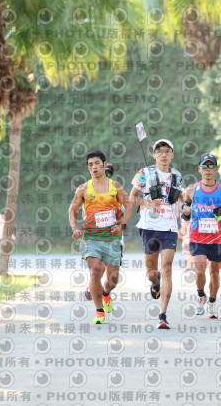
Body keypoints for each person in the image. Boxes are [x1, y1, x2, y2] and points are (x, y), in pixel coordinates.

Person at [69, 152, 133, 324]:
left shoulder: (116, 187)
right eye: (90, 164)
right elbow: (72, 209)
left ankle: (106, 294)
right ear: (87, 167)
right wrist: (74, 228)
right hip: (91, 237)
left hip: (111, 237)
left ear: (104, 164)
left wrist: (122, 226)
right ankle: (99, 312)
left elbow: (128, 206)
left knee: (113, 278)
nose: (94, 167)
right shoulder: (83, 188)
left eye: (97, 163)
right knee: (95, 271)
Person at [129, 139, 184, 329]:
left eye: (167, 151)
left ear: (172, 155)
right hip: (149, 226)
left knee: (167, 267)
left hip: (169, 227)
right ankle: (155, 282)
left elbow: (179, 196)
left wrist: (184, 205)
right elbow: (131, 197)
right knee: (152, 273)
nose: (163, 155)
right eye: (159, 151)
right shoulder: (144, 174)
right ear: (154, 155)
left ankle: (163, 314)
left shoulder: (177, 175)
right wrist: (148, 203)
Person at [181, 153, 221, 319]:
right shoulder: (191, 190)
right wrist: (185, 211)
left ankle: (212, 303)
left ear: (216, 169)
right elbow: (185, 213)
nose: (208, 169)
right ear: (199, 169)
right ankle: (201, 295)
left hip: (217, 238)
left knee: (215, 272)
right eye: (205, 166)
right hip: (197, 237)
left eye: (211, 166)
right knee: (200, 269)